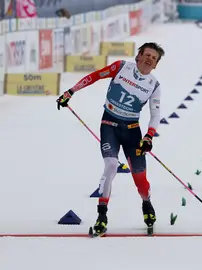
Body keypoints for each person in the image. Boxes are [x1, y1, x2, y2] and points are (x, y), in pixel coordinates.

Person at [56, 42, 164, 234]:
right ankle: (102, 215)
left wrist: (148, 137)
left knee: (140, 181)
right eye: (147, 55)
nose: (149, 59)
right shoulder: (121, 67)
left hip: (132, 132)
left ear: (155, 65)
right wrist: (70, 91)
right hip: (109, 125)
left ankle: (147, 204)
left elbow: (155, 114)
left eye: (153, 58)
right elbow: (95, 76)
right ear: (138, 56)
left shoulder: (154, 85)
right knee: (111, 165)